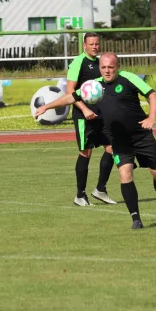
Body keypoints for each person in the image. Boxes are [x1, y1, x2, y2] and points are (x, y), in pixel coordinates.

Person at [35, 52, 156, 229]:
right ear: (100, 68)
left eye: (111, 67)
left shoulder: (127, 78)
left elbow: (153, 95)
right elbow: (71, 97)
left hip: (141, 136)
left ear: (117, 67)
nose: (107, 71)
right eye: (104, 67)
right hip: (118, 139)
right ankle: (136, 220)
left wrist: (152, 117)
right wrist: (46, 106)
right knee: (125, 175)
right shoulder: (94, 85)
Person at [65, 32, 116, 206]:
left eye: (97, 44)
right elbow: (69, 92)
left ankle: (100, 189)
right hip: (83, 116)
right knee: (86, 152)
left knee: (111, 148)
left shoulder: (100, 62)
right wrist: (85, 109)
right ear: (84, 46)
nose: (95, 46)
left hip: (101, 114)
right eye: (91, 44)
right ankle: (80, 195)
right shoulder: (78, 62)